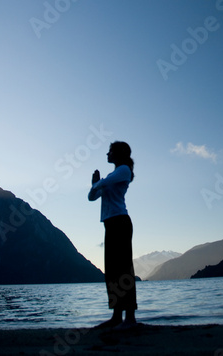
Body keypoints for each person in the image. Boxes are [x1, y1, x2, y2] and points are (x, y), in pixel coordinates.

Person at [88, 141, 137, 329]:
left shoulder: (124, 170)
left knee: (124, 269)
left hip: (121, 222)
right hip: (110, 224)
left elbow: (103, 184)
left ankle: (130, 318)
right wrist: (94, 185)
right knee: (113, 271)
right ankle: (117, 316)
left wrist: (96, 184)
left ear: (118, 154)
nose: (107, 154)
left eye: (110, 152)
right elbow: (91, 197)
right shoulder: (112, 176)